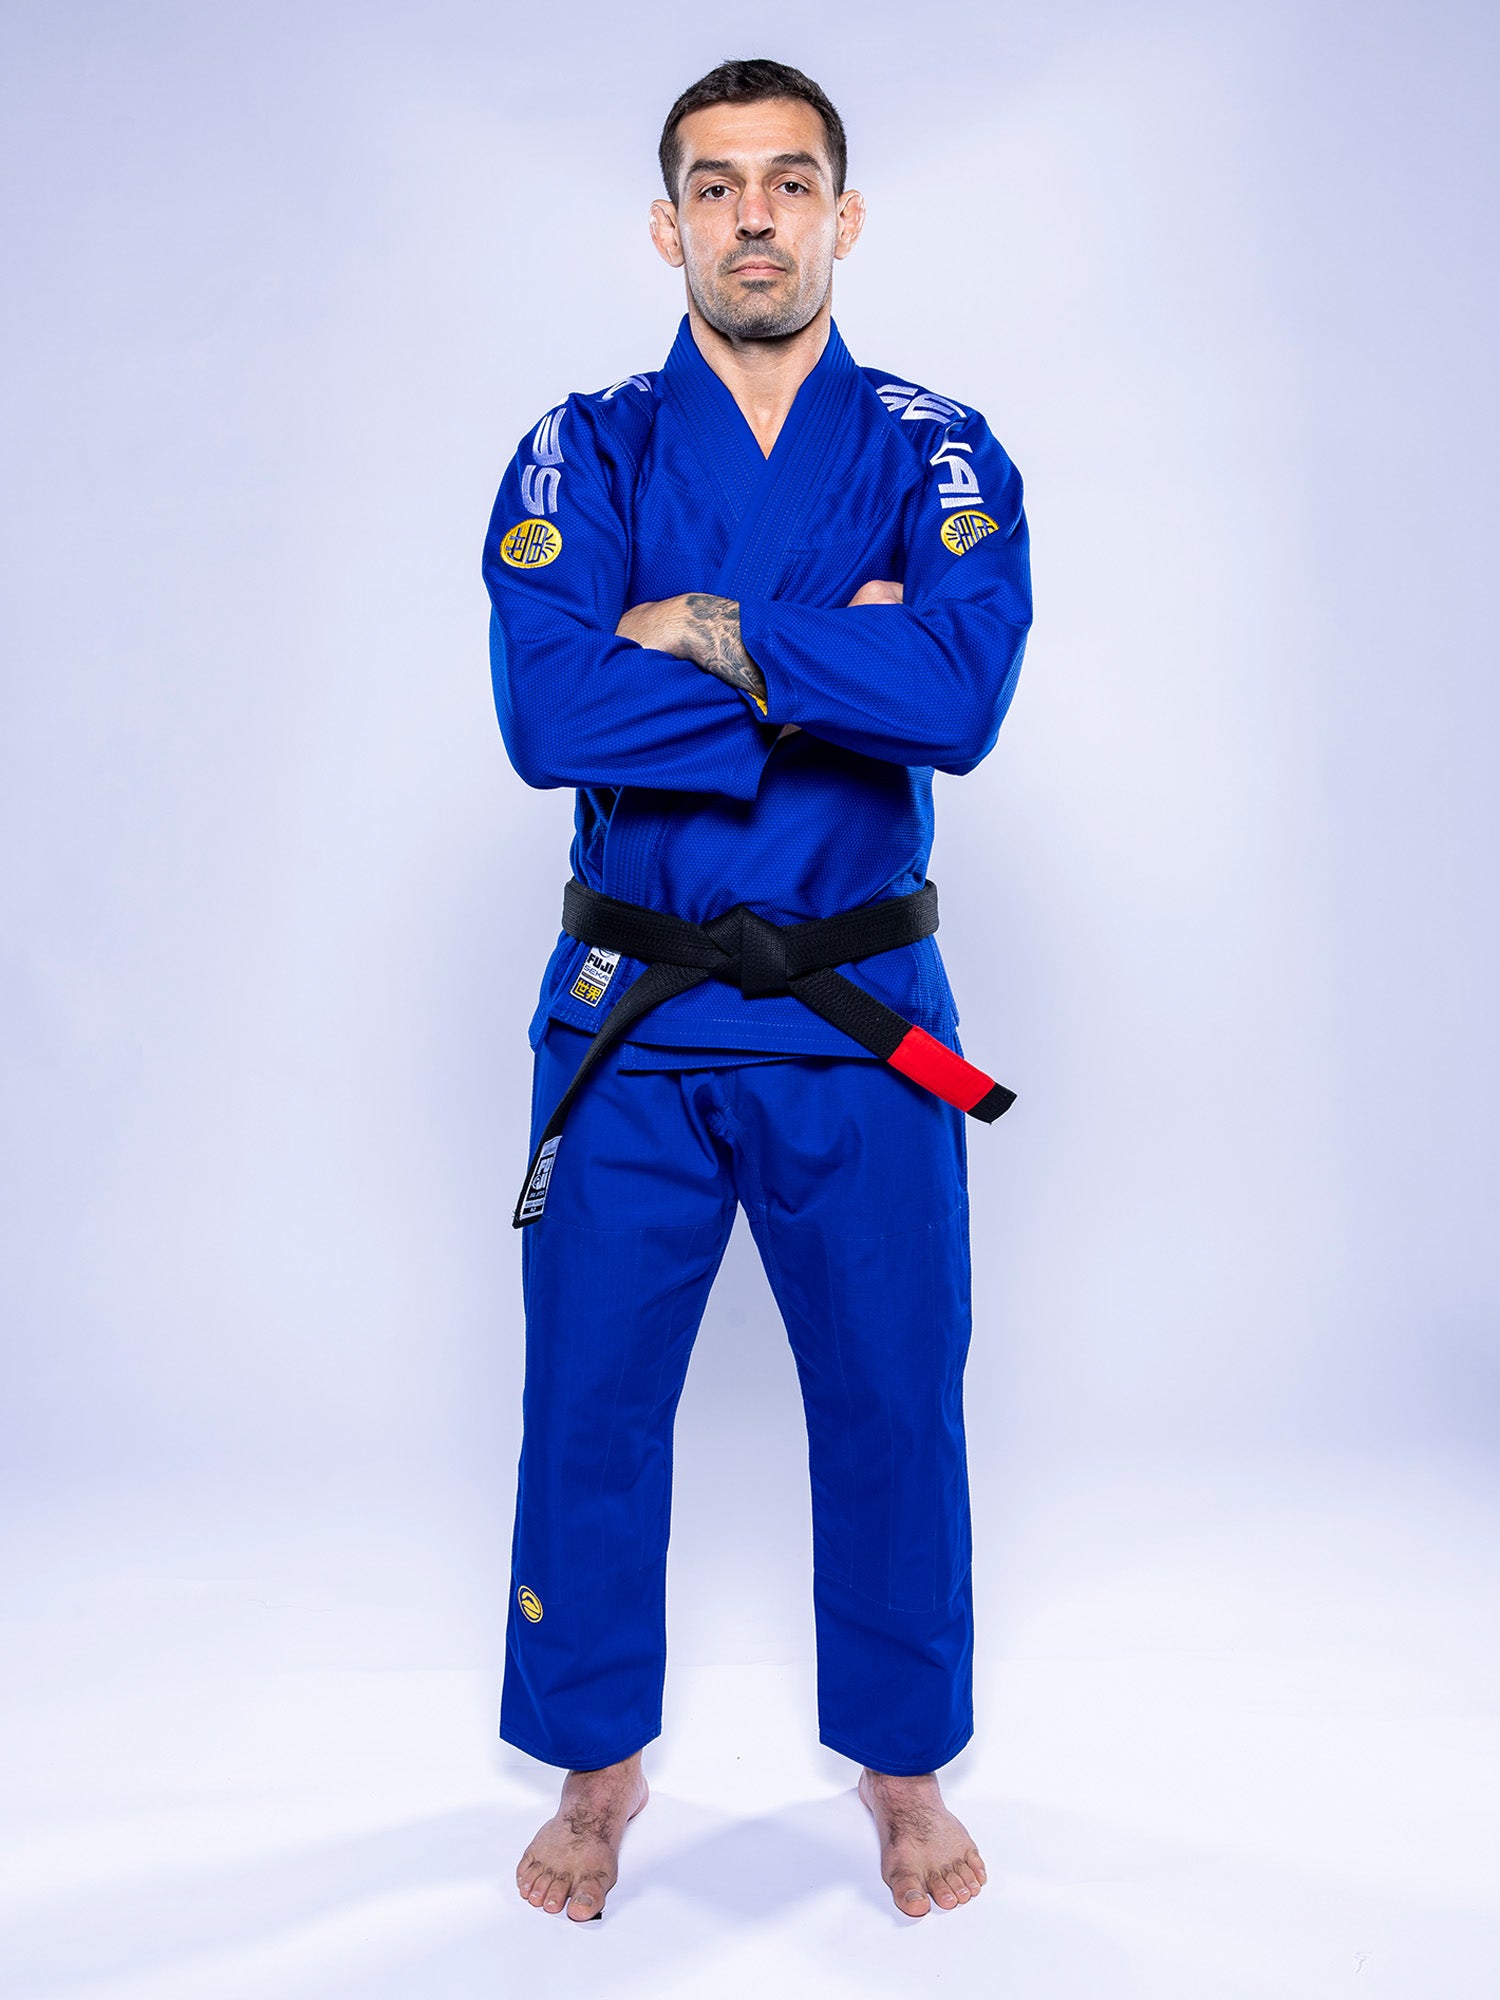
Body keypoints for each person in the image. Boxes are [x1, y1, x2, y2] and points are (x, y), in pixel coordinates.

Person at [481, 57, 1031, 1922]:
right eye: (715, 187)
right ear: (669, 226)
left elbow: (957, 696)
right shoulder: (582, 447)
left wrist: (701, 626)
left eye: (790, 182)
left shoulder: (940, 448)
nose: (754, 217)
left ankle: (902, 1771)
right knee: (589, 1404)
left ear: (844, 216)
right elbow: (550, 714)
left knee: (893, 1396)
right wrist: (827, 654)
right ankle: (595, 1766)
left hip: (862, 1019)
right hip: (631, 1018)